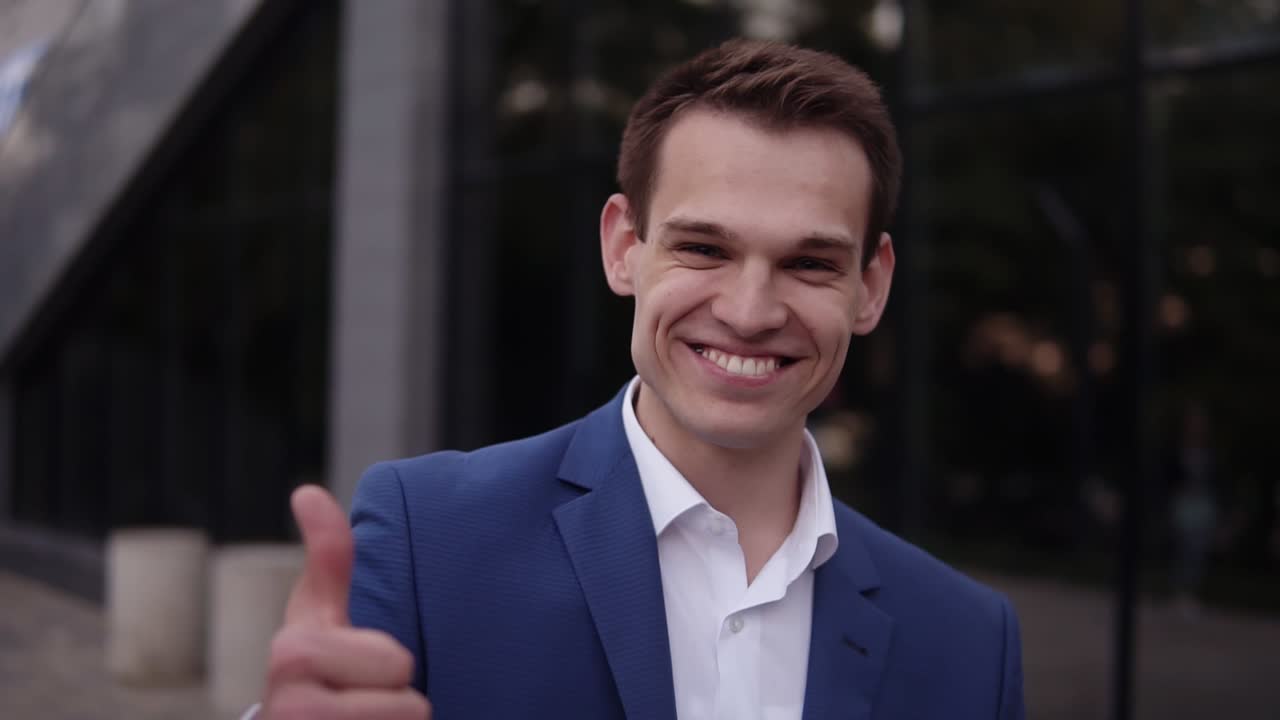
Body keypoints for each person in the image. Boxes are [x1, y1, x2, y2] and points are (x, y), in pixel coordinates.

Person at [254, 39, 1025, 719]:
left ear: (871, 286)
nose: (750, 311)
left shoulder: (967, 644)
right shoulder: (430, 539)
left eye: (809, 263)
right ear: (624, 246)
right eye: (704, 249)